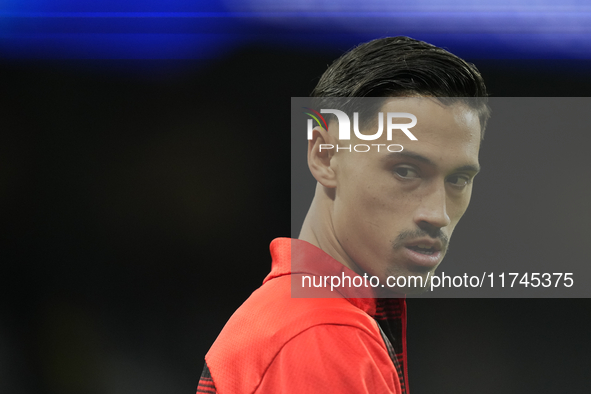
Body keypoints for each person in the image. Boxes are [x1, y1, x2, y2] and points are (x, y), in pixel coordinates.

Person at [197, 36, 490, 394]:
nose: (438, 214)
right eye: (405, 171)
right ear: (324, 156)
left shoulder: (294, 318)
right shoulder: (321, 336)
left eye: (458, 179)